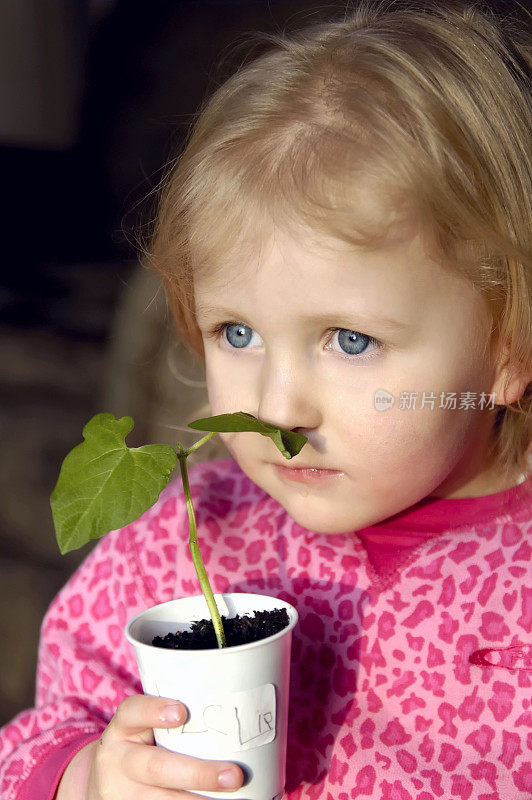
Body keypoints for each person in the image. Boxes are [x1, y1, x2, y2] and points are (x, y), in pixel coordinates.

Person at [1, 0, 531, 797]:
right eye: (237, 334)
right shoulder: (186, 540)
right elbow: (42, 731)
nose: (278, 410)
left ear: (507, 348)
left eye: (350, 341)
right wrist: (88, 775)